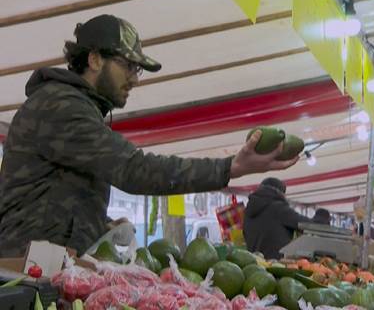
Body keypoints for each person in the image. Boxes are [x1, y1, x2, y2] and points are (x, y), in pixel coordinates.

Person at [0, 15, 298, 258]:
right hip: (26, 266)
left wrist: (99, 224)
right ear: (94, 60)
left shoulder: (73, 107)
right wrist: (230, 167)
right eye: (128, 66)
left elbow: (49, 193)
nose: (133, 79)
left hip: (41, 261)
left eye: (137, 70)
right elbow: (134, 169)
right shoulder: (61, 106)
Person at [243, 177, 311, 259]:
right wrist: (321, 217)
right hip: (275, 265)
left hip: (254, 265)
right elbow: (306, 224)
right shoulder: (279, 208)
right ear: (280, 192)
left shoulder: (248, 211)